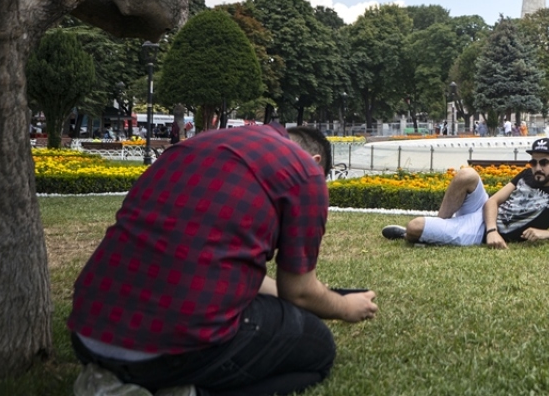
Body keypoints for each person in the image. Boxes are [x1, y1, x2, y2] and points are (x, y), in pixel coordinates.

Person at [68, 124, 376, 396]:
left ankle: (108, 379)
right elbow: (299, 291)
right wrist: (346, 308)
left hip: (87, 334)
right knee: (318, 349)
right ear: (317, 162)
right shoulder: (305, 171)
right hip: (174, 350)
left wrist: (329, 294)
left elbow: (223, 266)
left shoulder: (199, 145)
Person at [382, 137, 549, 249]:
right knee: (466, 174)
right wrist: (492, 231)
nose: (537, 167)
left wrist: (546, 233)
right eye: (534, 162)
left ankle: (421, 233)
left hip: (477, 233)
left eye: (544, 162)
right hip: (486, 218)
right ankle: (438, 226)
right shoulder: (525, 175)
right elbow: (493, 201)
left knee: (414, 226)